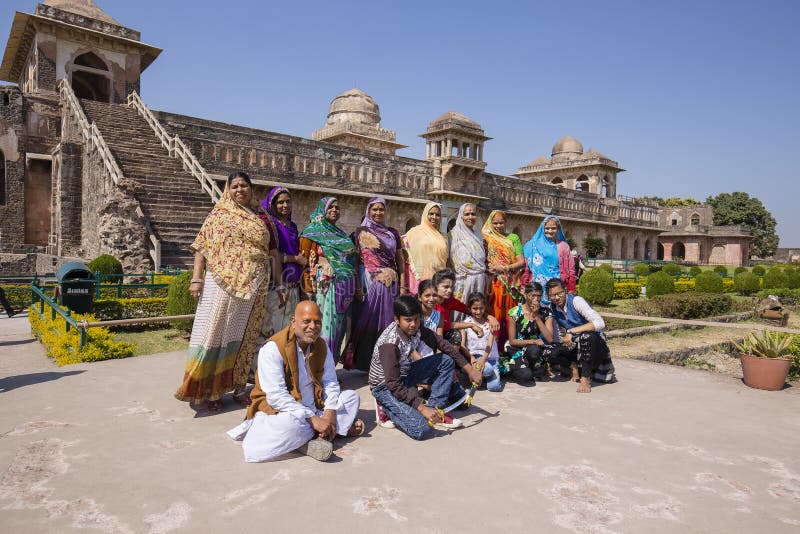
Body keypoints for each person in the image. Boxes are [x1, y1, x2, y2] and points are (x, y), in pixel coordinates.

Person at [175, 171, 272, 412]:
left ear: (251, 188)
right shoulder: (219, 215)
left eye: (244, 185)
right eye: (234, 186)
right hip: (222, 285)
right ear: (228, 190)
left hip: (254, 285)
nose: (240, 190)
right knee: (216, 333)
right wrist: (196, 279)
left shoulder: (258, 216)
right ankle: (210, 390)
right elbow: (202, 248)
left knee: (244, 338)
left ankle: (238, 386)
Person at [228, 301, 364, 462]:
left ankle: (316, 435)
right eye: (306, 321)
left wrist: (329, 413)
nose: (312, 326)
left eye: (317, 321)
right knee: (288, 426)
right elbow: (276, 397)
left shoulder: (321, 346)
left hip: (315, 405)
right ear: (293, 322)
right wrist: (313, 419)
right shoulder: (273, 349)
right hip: (284, 411)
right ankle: (320, 436)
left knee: (351, 398)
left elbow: (330, 382)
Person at [369, 296, 484, 440]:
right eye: (408, 320)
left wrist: (470, 369)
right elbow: (393, 384)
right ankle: (385, 406)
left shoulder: (417, 328)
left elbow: (443, 345)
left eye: (416, 319)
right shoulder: (389, 345)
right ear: (397, 319)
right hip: (385, 386)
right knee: (421, 429)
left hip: (405, 374)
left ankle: (436, 410)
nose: (413, 324)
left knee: (445, 360)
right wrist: (422, 408)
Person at [298, 197, 361, 363]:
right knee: (322, 327)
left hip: (344, 288)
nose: (334, 210)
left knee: (338, 329)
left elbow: (352, 261)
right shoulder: (312, 233)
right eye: (330, 207)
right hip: (324, 288)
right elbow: (304, 262)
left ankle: (330, 368)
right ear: (322, 210)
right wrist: (307, 289)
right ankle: (318, 368)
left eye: (337, 207)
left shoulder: (341, 235)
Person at [351, 198, 407, 371]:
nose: (378, 213)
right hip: (370, 283)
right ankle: (366, 364)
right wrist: (358, 286)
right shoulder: (360, 232)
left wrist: (403, 286)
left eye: (381, 209)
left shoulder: (393, 233)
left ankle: (386, 363)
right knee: (368, 323)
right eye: (374, 209)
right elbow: (355, 261)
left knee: (388, 323)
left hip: (390, 285)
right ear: (368, 211)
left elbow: (399, 260)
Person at [545, 278, 616, 393]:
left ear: (565, 290)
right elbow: (558, 335)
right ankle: (574, 366)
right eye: (552, 296)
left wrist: (572, 332)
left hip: (595, 344)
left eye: (559, 293)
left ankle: (585, 378)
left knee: (586, 336)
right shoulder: (553, 308)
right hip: (575, 344)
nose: (556, 298)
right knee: (549, 351)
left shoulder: (576, 301)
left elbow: (600, 323)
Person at [259, 186, 307, 337]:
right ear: (272, 204)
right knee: (271, 331)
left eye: (288, 202)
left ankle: (284, 361)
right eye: (280, 202)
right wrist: (295, 259)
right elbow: (269, 254)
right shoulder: (269, 225)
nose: (285, 205)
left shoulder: (292, 226)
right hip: (276, 287)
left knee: (289, 332)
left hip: (293, 287)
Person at [482, 210, 525, 348]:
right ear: (490, 223)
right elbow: (481, 257)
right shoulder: (486, 237)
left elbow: (521, 262)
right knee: (493, 312)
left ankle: (507, 346)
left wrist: (504, 268)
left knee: (509, 314)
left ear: (506, 222)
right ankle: (491, 347)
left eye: (501, 223)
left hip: (509, 283)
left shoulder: (513, 238)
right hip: (492, 282)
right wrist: (489, 266)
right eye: (495, 223)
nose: (498, 226)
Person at [504, 282, 555, 382]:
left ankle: (532, 367)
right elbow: (512, 341)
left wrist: (536, 317)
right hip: (517, 348)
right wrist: (534, 341)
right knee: (526, 376)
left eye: (539, 296)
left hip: (533, 350)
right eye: (533, 296)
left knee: (535, 351)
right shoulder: (515, 312)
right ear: (525, 295)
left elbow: (550, 339)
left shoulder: (546, 312)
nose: (536, 299)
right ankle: (516, 368)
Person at [523, 215, 575, 303]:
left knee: (556, 314)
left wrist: (571, 288)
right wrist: (524, 285)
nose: (550, 231)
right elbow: (526, 267)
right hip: (536, 287)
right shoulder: (533, 245)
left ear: (558, 229)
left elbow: (571, 269)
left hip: (557, 288)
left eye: (553, 228)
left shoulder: (564, 246)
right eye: (547, 228)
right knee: (536, 313)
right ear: (542, 229)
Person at [448, 203, 487, 318]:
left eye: (473, 214)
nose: (470, 217)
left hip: (479, 280)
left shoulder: (479, 236)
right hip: (461, 281)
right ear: (461, 216)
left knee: (477, 310)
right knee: (459, 312)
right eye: (467, 214)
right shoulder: (452, 235)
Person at [402, 202, 448, 295]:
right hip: (418, 279)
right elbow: (404, 253)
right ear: (425, 214)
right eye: (431, 214)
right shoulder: (414, 232)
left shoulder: (443, 237)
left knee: (436, 307)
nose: (434, 217)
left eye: (437, 215)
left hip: (438, 279)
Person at [461, 292, 502, 392]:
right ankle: (480, 374)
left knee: (494, 387)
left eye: (481, 308)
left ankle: (484, 375)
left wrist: (483, 360)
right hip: (474, 357)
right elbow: (462, 345)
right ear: (469, 309)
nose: (478, 311)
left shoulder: (490, 323)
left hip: (489, 357)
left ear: (485, 307)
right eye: (475, 308)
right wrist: (472, 358)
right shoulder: (466, 323)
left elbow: (490, 344)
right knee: (487, 370)